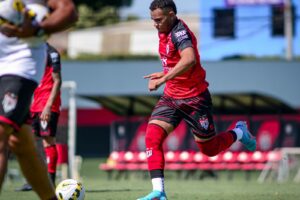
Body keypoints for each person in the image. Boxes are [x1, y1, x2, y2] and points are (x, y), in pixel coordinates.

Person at [137, 1, 256, 200]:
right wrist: (165, 74)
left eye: (158, 20)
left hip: (195, 99)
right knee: (152, 137)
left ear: (171, 14)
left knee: (209, 150)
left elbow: (189, 58)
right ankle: (158, 192)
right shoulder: (164, 30)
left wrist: (163, 79)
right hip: (171, 97)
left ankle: (239, 132)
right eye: (152, 20)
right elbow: (178, 63)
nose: (155, 24)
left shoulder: (179, 32)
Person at [0, 0, 77, 199]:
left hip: (19, 62)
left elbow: (68, 11)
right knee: (22, 143)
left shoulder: (50, 52)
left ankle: (51, 178)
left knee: (2, 134)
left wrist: (38, 29)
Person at [16, 43, 62, 192]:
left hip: (46, 105)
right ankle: (35, 180)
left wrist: (48, 106)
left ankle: (50, 182)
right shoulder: (34, 51)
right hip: (35, 105)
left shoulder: (52, 52)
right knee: (32, 143)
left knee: (48, 142)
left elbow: (57, 80)